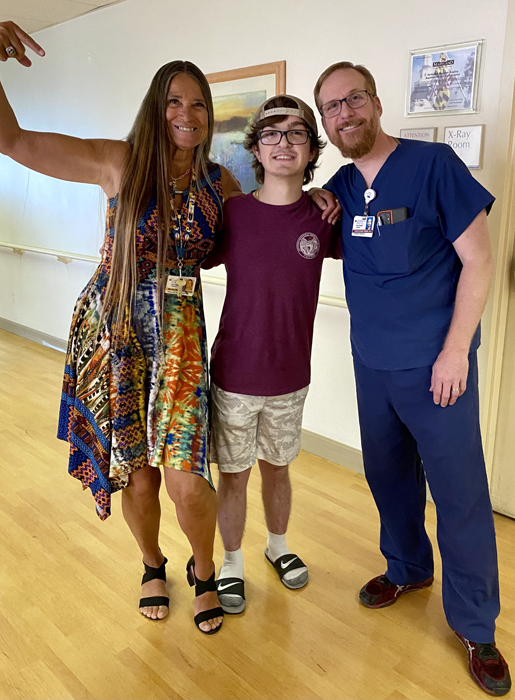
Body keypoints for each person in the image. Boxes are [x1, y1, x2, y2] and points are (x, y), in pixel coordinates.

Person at [0, 20, 245, 635]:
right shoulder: (119, 162)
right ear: (156, 108)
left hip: (180, 344)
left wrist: (322, 204)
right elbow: (11, 141)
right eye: (174, 100)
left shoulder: (219, 185)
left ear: (208, 117)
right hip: (117, 333)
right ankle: (152, 563)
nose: (187, 112)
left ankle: (205, 570)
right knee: (139, 479)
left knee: (188, 485)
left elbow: (264, 232)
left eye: (198, 103)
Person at [314, 61, 511, 695]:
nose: (344, 114)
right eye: (331, 108)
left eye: (353, 100)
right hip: (373, 366)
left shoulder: (433, 167)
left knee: (460, 496)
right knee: (389, 478)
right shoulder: (341, 187)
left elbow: (479, 262)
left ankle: (476, 626)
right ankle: (406, 568)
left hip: (437, 369)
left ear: (374, 101)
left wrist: (456, 352)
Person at [202, 95, 341, 613]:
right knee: (234, 473)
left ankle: (277, 546)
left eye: (296, 134)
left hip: (290, 376)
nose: (283, 144)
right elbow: (191, 255)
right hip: (235, 373)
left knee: (278, 468)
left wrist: (330, 195)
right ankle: (233, 559)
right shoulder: (234, 213)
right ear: (256, 149)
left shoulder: (325, 215)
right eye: (272, 134)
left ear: (311, 148)